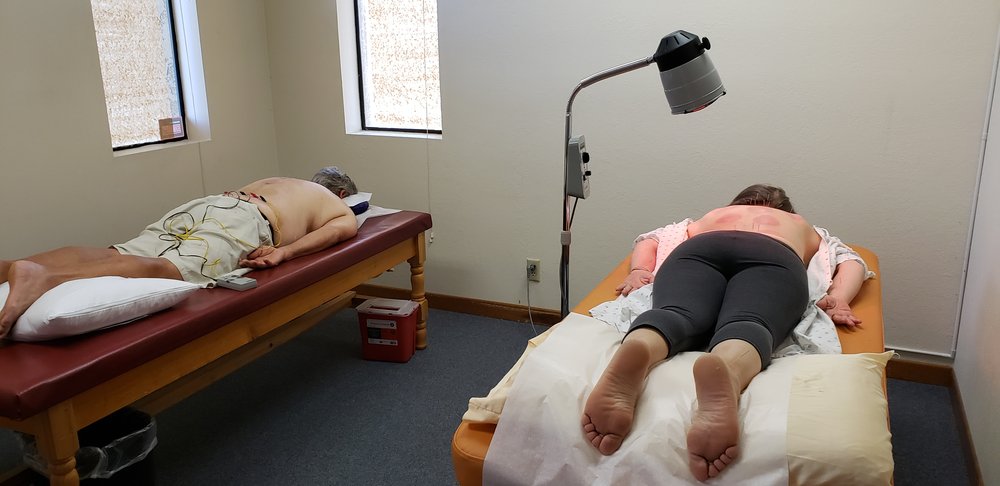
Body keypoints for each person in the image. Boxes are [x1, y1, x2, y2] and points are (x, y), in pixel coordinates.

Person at [580, 184, 868, 481]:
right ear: (786, 211)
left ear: (736, 204)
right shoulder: (803, 226)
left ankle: (642, 343)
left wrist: (639, 270)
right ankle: (728, 366)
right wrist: (840, 298)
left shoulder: (709, 218)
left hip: (698, 250)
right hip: (773, 253)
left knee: (677, 313)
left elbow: (650, 240)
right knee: (750, 320)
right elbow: (851, 262)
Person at [0, 166, 361, 339]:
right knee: (169, 269)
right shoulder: (336, 204)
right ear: (343, 194)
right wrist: (286, 252)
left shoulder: (281, 179)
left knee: (119, 252)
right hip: (247, 221)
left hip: (212, 203)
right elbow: (340, 231)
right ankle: (42, 276)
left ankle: (18, 264)